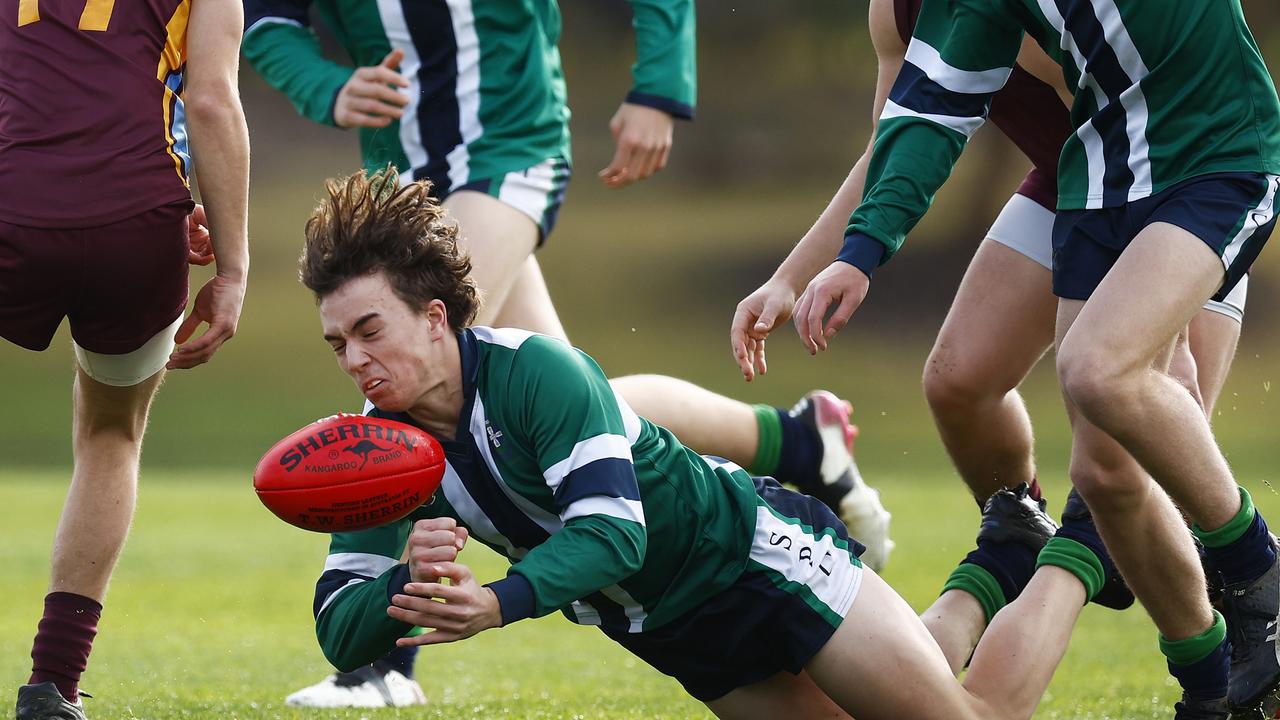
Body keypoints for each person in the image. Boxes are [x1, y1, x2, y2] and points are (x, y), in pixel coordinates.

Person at [295, 168, 1136, 720]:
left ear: (435, 317)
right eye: (338, 345)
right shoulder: (383, 455)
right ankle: (1002, 553)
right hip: (671, 633)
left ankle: (1083, 543)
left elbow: (613, 533)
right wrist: (405, 579)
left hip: (752, 561)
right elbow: (341, 627)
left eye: (370, 330)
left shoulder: (533, 374)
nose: (355, 360)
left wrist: (499, 602)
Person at [242, 0, 890, 704]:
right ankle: (798, 440)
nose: (348, 352)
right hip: (404, 176)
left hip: (508, 148)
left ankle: (386, 660)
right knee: (561, 412)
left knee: (420, 393)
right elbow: (266, 20)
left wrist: (659, 87)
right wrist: (324, 85)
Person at [738, 0, 1280, 715]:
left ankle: (1233, 635)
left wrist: (1165, 340)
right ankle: (1021, 538)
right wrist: (815, 266)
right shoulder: (900, 13)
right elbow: (907, 127)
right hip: (1089, 180)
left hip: (1190, 169)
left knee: (1109, 470)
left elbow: (1157, 83)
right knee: (959, 381)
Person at [0, 0, 251, 716]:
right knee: (111, 436)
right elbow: (210, 98)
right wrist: (232, 268)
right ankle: (53, 682)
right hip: (134, 219)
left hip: (11, 203)